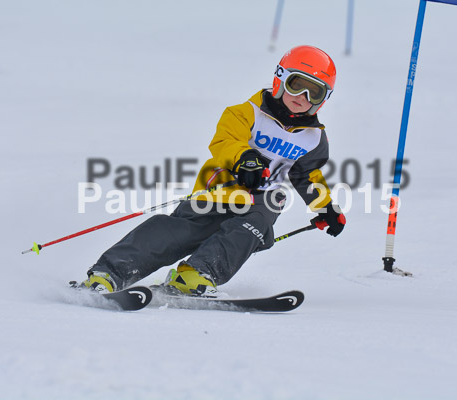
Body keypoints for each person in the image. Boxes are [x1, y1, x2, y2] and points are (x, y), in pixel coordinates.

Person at [79, 45, 346, 295]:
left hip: (264, 198)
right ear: (280, 79)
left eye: (315, 92)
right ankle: (109, 272)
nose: (303, 97)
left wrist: (325, 207)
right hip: (222, 185)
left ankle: (197, 274)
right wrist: (245, 158)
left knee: (257, 222)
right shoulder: (245, 113)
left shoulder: (314, 138)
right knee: (180, 233)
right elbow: (226, 141)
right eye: (296, 85)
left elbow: (306, 175)